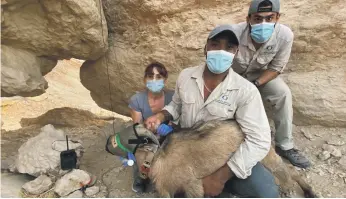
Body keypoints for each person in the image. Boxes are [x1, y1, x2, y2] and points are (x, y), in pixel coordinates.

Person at [145, 25, 279, 197]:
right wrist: (161, 115)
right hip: (186, 153)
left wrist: (220, 177)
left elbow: (259, 140)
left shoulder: (246, 90)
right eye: (215, 44)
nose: (221, 51)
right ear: (205, 48)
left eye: (229, 47)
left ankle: (224, 185)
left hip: (224, 157)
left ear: (235, 53)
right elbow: (176, 106)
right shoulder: (186, 76)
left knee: (266, 193)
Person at [231, 0, 310, 168]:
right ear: (248, 19)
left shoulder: (285, 35)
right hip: (233, 75)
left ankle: (285, 145)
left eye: (269, 18)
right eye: (257, 18)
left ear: (278, 17)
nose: (263, 23)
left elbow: (276, 68)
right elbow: (220, 61)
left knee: (282, 93)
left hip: (258, 75)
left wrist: (255, 84)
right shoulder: (233, 33)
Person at [128, 61, 174, 193]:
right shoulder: (136, 99)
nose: (154, 80)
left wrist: (169, 128)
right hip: (146, 135)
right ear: (144, 79)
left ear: (165, 79)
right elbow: (137, 126)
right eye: (150, 76)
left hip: (168, 136)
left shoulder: (173, 96)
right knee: (137, 146)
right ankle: (140, 177)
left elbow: (178, 118)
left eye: (158, 77)